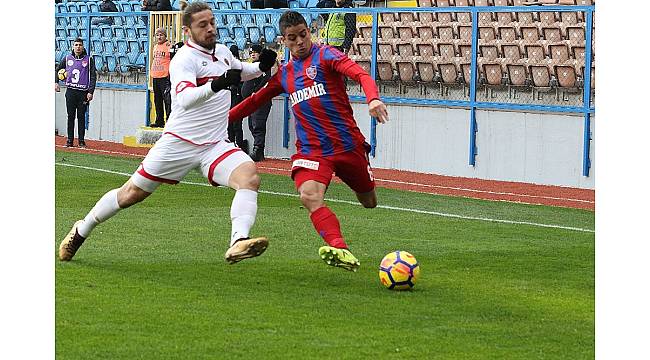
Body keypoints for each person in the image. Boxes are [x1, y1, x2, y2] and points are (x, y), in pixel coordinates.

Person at [59, 2, 278, 265]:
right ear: (187, 30)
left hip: (214, 144)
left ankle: (238, 241)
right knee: (130, 194)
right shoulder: (183, 60)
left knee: (249, 177)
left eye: (211, 22)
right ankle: (81, 230)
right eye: (202, 25)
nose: (210, 29)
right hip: (179, 142)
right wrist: (218, 84)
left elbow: (240, 72)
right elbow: (184, 99)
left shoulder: (221, 52)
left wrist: (261, 66)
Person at [229, 10, 389, 272]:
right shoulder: (285, 74)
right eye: (293, 38)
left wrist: (373, 98)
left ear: (309, 31)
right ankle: (341, 249)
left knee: (369, 201)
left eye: (303, 34)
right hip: (313, 151)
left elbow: (361, 75)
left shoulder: (326, 55)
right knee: (309, 195)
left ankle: (350, 216)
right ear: (284, 41)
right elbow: (256, 100)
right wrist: (223, 119)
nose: (300, 41)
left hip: (348, 145)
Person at [55, 38, 97, 148]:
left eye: (80, 45)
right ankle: (69, 140)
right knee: (70, 116)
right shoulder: (67, 58)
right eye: (76, 45)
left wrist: (90, 91)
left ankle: (81, 141)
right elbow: (57, 69)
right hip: (70, 92)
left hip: (83, 93)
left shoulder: (89, 60)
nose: (78, 47)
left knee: (81, 117)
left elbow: (93, 76)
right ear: (73, 47)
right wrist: (56, 82)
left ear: (83, 47)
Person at [241, 44, 272, 162]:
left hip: (260, 101)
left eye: (255, 52)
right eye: (251, 52)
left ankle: (258, 150)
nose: (252, 54)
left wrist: (255, 92)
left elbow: (265, 81)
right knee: (251, 125)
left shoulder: (263, 66)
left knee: (258, 124)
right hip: (251, 102)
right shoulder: (252, 66)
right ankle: (257, 149)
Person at [227, 45, 249, 154]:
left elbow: (242, 84)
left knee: (236, 124)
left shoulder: (239, 67)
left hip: (236, 97)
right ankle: (231, 145)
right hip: (229, 98)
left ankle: (238, 145)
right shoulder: (228, 67)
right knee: (230, 124)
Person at [150, 27, 173, 128]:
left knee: (167, 100)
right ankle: (159, 120)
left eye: (161, 35)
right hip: (155, 76)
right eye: (157, 35)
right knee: (157, 100)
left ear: (165, 36)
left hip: (164, 76)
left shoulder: (169, 46)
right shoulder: (155, 47)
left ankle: (169, 121)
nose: (159, 37)